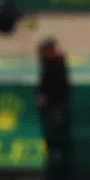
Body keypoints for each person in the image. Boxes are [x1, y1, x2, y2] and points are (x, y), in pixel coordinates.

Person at [37, 38, 72, 167]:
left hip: (56, 107)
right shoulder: (47, 63)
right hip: (50, 108)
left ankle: (59, 163)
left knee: (57, 136)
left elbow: (57, 87)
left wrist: (46, 97)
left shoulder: (57, 64)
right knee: (51, 138)